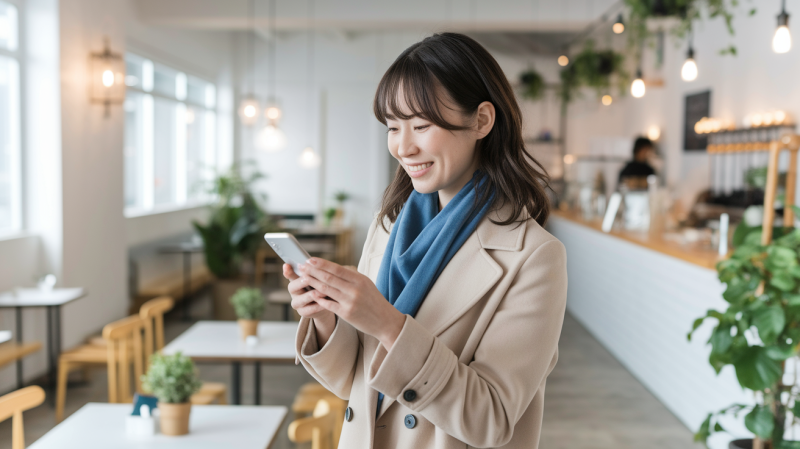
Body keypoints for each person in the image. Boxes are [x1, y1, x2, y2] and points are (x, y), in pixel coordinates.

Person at [283, 32, 567, 449]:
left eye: (421, 125)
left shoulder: (535, 256)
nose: (402, 146)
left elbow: (490, 419)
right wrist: (327, 319)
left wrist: (387, 323)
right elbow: (355, 384)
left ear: (482, 121)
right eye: (393, 127)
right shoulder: (387, 227)